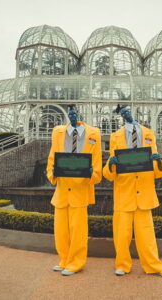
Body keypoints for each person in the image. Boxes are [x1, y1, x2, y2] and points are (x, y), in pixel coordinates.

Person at [103, 105, 162, 279]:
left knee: (147, 235)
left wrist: (158, 162)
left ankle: (154, 266)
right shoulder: (115, 136)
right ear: (120, 116)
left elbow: (159, 172)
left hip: (144, 193)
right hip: (124, 192)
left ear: (132, 112)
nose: (126, 113)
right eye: (122, 112)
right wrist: (111, 164)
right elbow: (109, 175)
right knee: (121, 234)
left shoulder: (149, 133)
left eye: (127, 111)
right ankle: (122, 264)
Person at [46, 105, 102, 276]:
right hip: (62, 190)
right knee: (60, 230)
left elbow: (97, 162)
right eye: (69, 113)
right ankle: (64, 260)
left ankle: (76, 262)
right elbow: (52, 158)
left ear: (79, 114)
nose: (72, 115)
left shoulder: (94, 133)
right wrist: (52, 174)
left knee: (78, 230)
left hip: (80, 190)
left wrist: (93, 174)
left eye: (74, 112)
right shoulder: (58, 132)